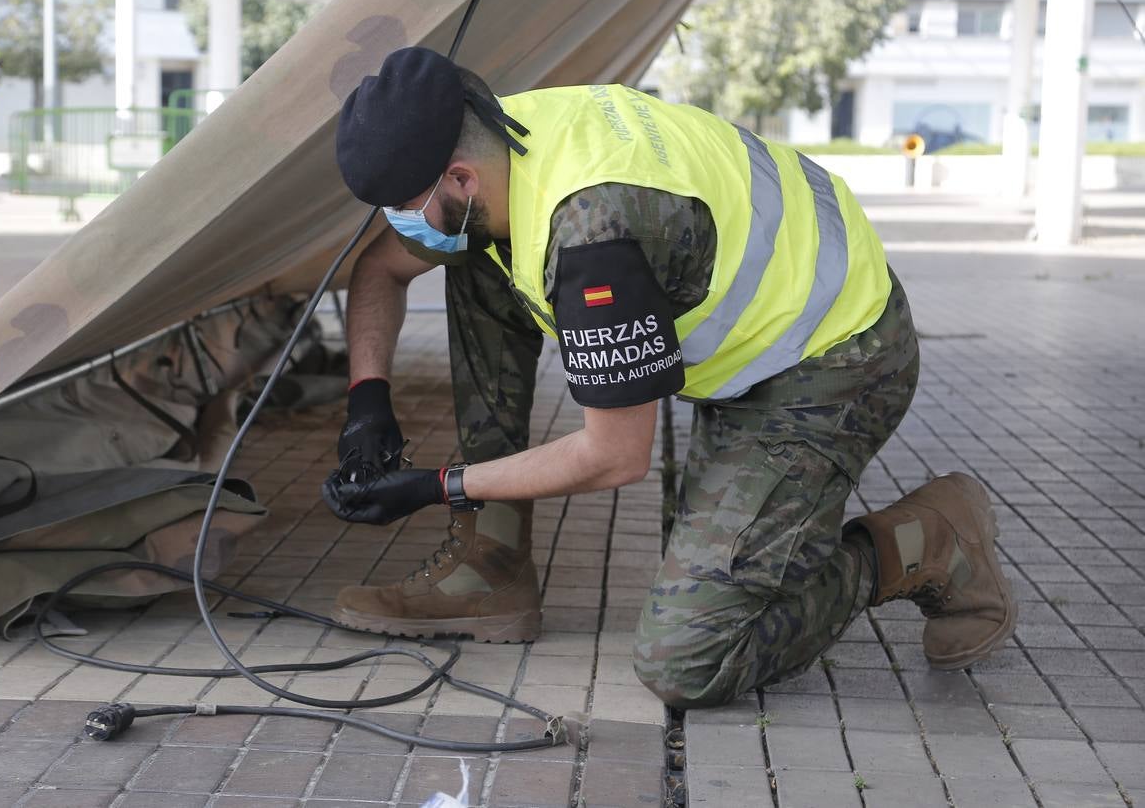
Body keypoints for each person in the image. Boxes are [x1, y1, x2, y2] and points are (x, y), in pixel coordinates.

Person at [322, 47, 1016, 707]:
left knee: (687, 655)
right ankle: (489, 567)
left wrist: (436, 486)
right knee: (474, 259)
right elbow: (381, 268)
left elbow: (614, 456)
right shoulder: (504, 137)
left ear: (460, 177)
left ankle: (929, 538)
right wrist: (367, 401)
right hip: (757, 332)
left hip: (834, 363)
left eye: (404, 207)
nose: (399, 225)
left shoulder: (593, 237)